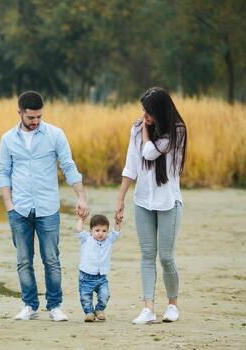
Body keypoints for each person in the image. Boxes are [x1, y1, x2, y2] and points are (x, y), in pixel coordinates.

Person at [0, 90, 89, 321]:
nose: (35, 121)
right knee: (24, 260)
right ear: (20, 113)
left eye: (39, 117)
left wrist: (81, 197)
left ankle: (55, 305)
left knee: (51, 259)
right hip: (19, 209)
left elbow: (68, 166)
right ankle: (30, 305)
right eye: (31, 118)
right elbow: (3, 173)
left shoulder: (55, 134)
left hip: (48, 208)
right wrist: (9, 205)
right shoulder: (7, 139)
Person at [114, 87, 187, 324]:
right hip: (143, 200)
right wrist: (121, 198)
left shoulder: (177, 131)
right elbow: (131, 165)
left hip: (168, 202)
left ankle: (172, 305)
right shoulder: (136, 128)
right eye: (143, 111)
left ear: (162, 112)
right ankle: (148, 309)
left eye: (149, 112)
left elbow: (149, 152)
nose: (144, 116)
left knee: (166, 257)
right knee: (147, 255)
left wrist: (145, 131)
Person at [76, 214, 121, 322]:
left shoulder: (109, 240)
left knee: (105, 295)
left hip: (101, 276)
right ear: (91, 231)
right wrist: (81, 219)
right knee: (85, 297)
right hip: (86, 276)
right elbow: (78, 230)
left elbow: (116, 232)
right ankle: (89, 313)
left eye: (104, 231)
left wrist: (118, 221)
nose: (100, 233)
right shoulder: (87, 239)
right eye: (97, 230)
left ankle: (99, 310)